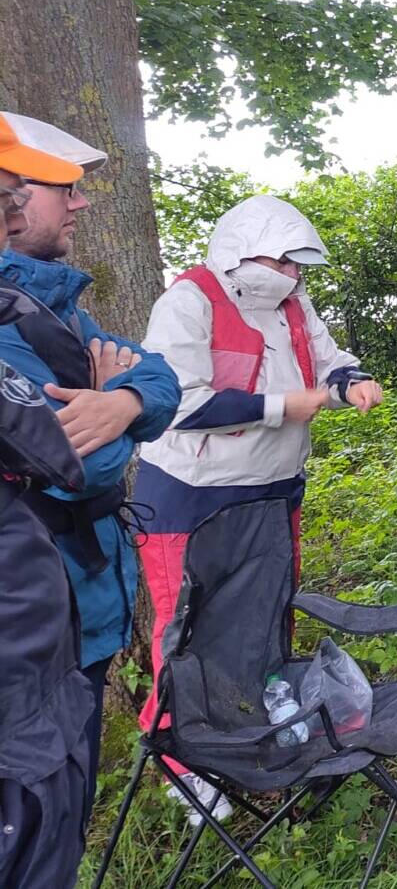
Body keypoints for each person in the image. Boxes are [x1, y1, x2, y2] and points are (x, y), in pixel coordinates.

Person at [135, 194, 382, 821]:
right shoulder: (189, 301)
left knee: (268, 610)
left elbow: (328, 363)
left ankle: (261, 722)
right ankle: (185, 764)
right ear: (242, 253)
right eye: (283, 262)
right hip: (191, 496)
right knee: (186, 627)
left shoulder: (295, 305)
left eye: (298, 265)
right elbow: (177, 403)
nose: (293, 275)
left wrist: (351, 382)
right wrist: (281, 408)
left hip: (274, 487)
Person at [0, 113, 180, 818]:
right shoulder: (12, 320)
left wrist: (124, 400)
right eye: (63, 189)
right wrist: (118, 416)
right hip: (36, 613)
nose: (80, 203)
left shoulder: (53, 308)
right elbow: (77, 469)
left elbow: (161, 377)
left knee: (66, 803)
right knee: (38, 810)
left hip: (87, 593)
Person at [0, 117, 97, 889]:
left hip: (47, 670)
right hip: (20, 716)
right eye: (5, 199)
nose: (10, 223)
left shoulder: (36, 308)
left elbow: (154, 379)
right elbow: (71, 456)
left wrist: (126, 398)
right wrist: (111, 398)